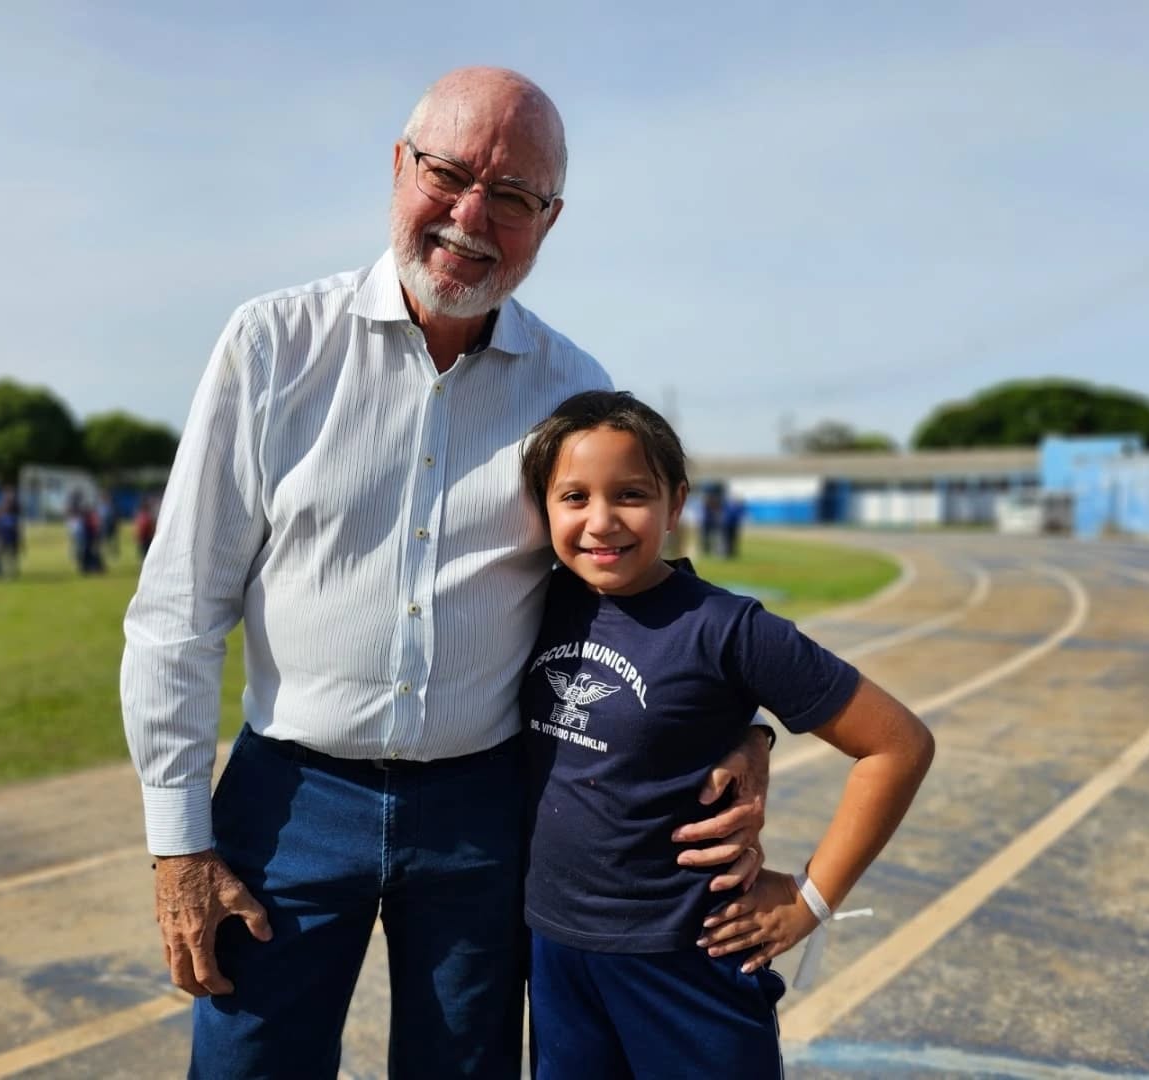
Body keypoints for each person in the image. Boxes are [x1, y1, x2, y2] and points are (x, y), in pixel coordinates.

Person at [120, 66, 773, 1079]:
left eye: (510, 195)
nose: (471, 217)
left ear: (549, 221)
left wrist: (738, 728)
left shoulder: (576, 389)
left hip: (483, 810)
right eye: (450, 174)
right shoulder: (273, 346)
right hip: (288, 801)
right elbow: (178, 612)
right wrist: (179, 849)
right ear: (399, 165)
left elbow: (625, 590)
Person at [517, 390, 934, 1078]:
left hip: (689, 962)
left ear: (676, 503)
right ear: (543, 508)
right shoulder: (533, 601)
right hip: (556, 954)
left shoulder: (729, 628)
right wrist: (752, 733)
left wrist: (810, 899)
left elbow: (898, 744)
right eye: (574, 497)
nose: (601, 521)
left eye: (631, 494)